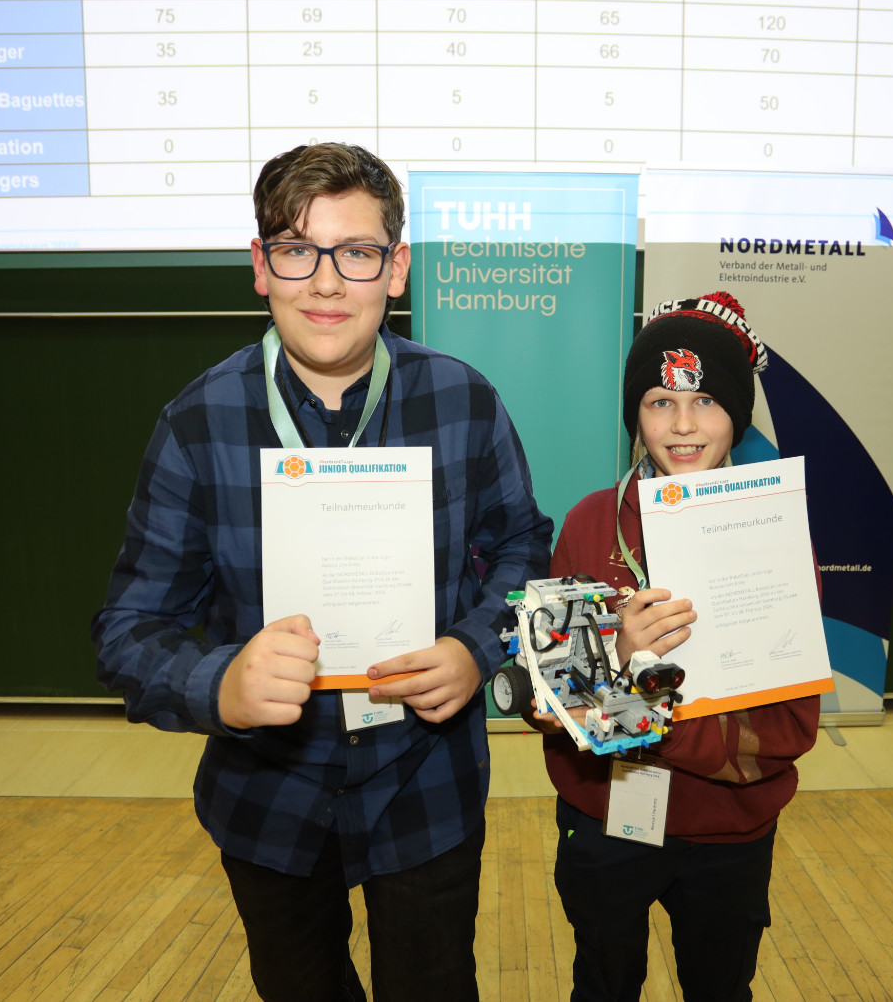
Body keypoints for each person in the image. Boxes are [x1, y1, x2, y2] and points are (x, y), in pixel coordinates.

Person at [91, 142, 554, 1002]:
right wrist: (219, 684)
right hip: (270, 799)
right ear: (260, 266)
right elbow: (126, 632)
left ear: (397, 268)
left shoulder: (464, 401)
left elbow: (524, 549)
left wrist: (475, 648)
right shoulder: (197, 424)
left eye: (358, 252)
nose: (328, 282)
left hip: (425, 785)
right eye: (298, 250)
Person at [530, 291, 821, 1002]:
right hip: (606, 816)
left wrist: (634, 715)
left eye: (706, 401)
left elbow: (791, 725)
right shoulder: (590, 522)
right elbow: (547, 702)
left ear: (737, 415)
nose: (683, 425)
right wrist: (615, 656)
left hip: (730, 831)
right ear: (636, 414)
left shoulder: (778, 534)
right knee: (603, 982)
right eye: (660, 401)